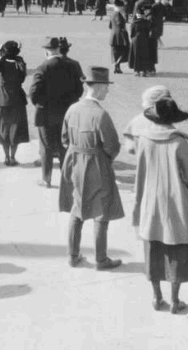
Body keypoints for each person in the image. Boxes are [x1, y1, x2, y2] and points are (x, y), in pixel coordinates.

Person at [132, 97, 188, 314]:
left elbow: (140, 171)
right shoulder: (179, 142)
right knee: (177, 247)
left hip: (151, 198)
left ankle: (156, 296)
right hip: (176, 199)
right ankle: (174, 300)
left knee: (153, 247)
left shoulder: (143, 139)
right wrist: (185, 183)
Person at [60, 67, 125, 270]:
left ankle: (72, 255)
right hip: (97, 165)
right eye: (106, 87)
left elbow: (64, 139)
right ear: (97, 88)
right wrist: (103, 158)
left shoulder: (72, 109)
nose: (107, 91)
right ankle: (101, 258)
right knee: (101, 210)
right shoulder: (101, 114)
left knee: (77, 208)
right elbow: (113, 146)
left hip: (75, 162)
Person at [28, 36, 84, 188]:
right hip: (67, 112)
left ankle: (46, 179)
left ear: (46, 51)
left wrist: (41, 104)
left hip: (46, 113)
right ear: (59, 49)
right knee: (65, 145)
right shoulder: (74, 65)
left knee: (46, 146)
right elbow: (79, 90)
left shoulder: (43, 67)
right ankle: (67, 178)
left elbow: (33, 92)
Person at [0, 40, 28, 165]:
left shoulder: (1, 64)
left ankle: (6, 157)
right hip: (18, 99)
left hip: (3, 100)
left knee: (4, 129)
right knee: (15, 130)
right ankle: (13, 157)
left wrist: (0, 54)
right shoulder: (20, 63)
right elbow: (23, 76)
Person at [128, 6, 156, 77]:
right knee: (144, 55)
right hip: (144, 40)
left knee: (136, 55)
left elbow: (131, 33)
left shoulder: (134, 23)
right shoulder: (146, 22)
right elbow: (148, 32)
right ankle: (143, 71)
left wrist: (133, 38)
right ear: (143, 15)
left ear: (137, 15)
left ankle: (136, 71)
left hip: (135, 40)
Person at [108, 2, 130, 74]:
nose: (123, 8)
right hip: (120, 35)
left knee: (116, 52)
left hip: (113, 35)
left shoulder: (112, 14)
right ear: (119, 7)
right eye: (122, 7)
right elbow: (120, 23)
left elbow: (110, 26)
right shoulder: (118, 14)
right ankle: (117, 64)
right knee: (124, 51)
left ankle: (117, 68)